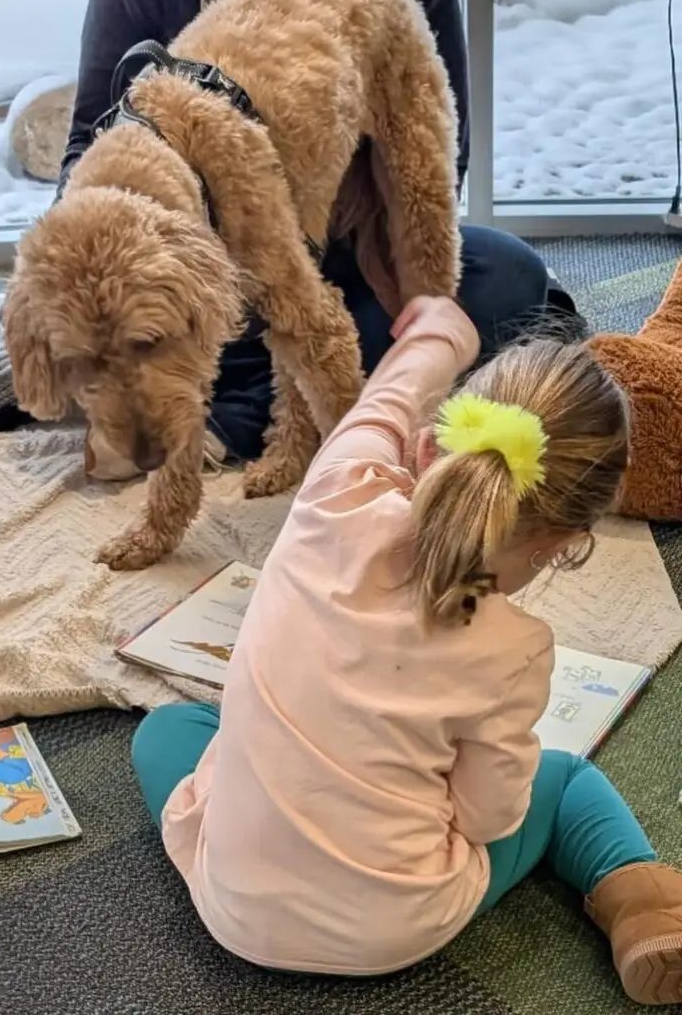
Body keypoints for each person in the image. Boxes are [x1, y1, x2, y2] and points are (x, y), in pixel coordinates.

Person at [131, 296, 682, 1007]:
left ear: (426, 450)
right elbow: (488, 821)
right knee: (567, 782)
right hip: (395, 930)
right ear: (565, 546)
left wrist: (441, 334)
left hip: (234, 915)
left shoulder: (333, 493)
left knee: (169, 730)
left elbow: (384, 401)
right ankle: (641, 900)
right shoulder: (515, 649)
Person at [60, 0, 557, 463]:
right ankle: (261, 393)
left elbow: (438, 161)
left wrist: (383, 258)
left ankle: (240, 407)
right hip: (188, 275)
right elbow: (88, 136)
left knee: (507, 277)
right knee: (116, 327)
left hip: (353, 248)